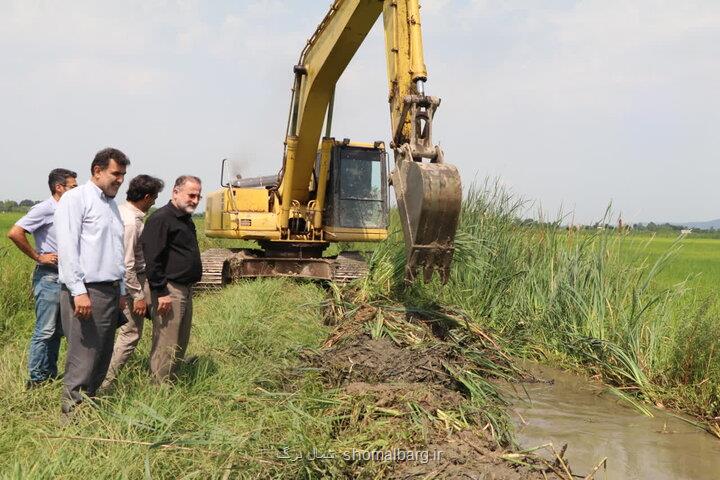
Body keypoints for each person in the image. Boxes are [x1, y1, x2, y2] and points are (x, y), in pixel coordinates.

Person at [54, 148, 130, 415]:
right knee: (83, 358)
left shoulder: (110, 205)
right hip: (87, 291)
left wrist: (120, 290)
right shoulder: (76, 199)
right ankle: (71, 419)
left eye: (123, 174)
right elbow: (67, 250)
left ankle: (91, 408)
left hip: (109, 291)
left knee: (102, 356)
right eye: (116, 173)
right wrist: (78, 292)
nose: (120, 179)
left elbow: (116, 252)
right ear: (97, 171)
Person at [7, 169, 78, 389]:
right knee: (45, 330)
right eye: (73, 187)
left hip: (64, 276)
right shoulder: (46, 208)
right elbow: (15, 232)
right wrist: (39, 256)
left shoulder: (67, 210)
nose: (77, 190)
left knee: (57, 330)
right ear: (59, 188)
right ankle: (36, 379)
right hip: (49, 277)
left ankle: (49, 373)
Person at [101, 175, 165, 390]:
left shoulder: (122, 212)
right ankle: (105, 383)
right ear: (146, 197)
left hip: (127, 282)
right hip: (131, 283)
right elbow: (126, 264)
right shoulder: (130, 222)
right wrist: (137, 296)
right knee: (130, 333)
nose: (155, 202)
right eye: (154, 198)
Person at [141, 175, 202, 383]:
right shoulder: (161, 219)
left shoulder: (185, 219)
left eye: (198, 196)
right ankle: (158, 389)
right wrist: (161, 292)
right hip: (169, 290)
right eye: (191, 195)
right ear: (175, 192)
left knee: (179, 341)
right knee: (166, 343)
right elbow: (153, 260)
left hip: (185, 289)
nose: (195, 200)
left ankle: (172, 382)